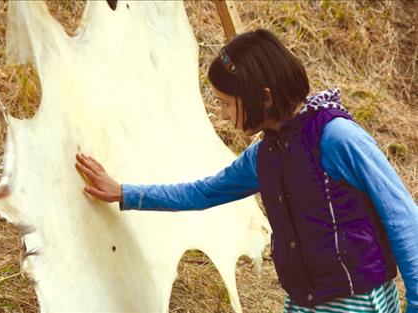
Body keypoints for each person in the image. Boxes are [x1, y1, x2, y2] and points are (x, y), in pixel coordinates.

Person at [75, 29, 418, 313]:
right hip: (304, 301)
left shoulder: (337, 138)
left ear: (264, 97)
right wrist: (125, 192)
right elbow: (204, 191)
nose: (222, 114)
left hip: (356, 299)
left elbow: (403, 218)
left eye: (226, 103)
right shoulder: (265, 154)